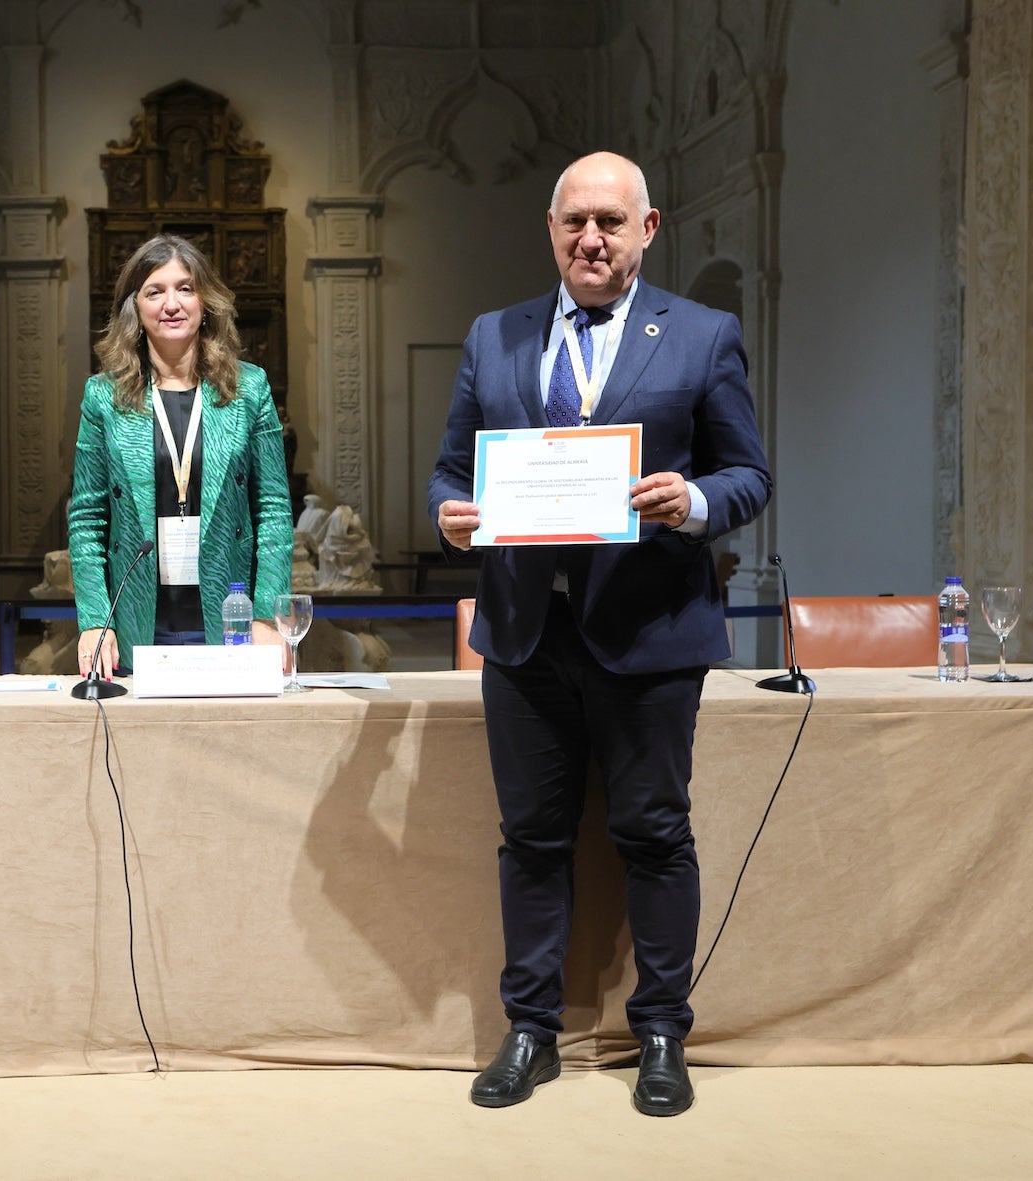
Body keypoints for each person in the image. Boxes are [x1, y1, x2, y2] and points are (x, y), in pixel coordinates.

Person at [428, 152, 772, 1115]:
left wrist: (692, 500)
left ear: (647, 229)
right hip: (525, 633)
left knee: (654, 835)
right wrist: (450, 515)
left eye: (610, 223)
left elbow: (749, 474)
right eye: (574, 221)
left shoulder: (703, 334)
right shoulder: (494, 335)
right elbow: (450, 470)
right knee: (532, 839)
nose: (591, 239)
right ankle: (531, 1031)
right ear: (550, 228)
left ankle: (661, 1032)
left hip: (650, 633)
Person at [68, 234, 293, 678]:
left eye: (185, 288)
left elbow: (273, 509)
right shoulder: (102, 397)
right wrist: (95, 620)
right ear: (136, 307)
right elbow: (87, 518)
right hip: (135, 620)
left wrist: (268, 614)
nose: (171, 304)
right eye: (155, 291)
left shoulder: (250, 389)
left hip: (232, 617)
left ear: (205, 301)